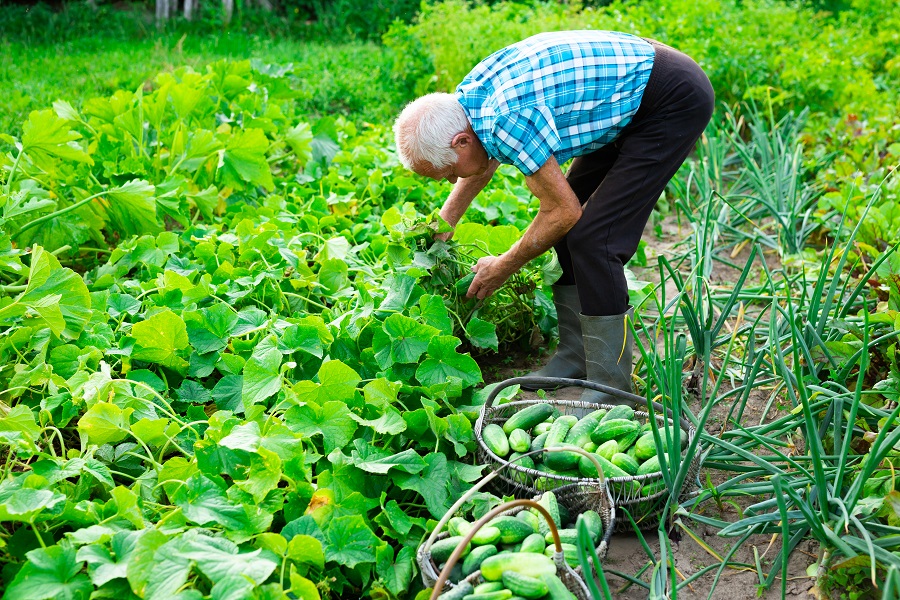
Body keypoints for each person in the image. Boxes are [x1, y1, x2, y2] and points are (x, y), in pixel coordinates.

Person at [393, 30, 714, 403]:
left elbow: (563, 211)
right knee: (568, 231)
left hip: (669, 99)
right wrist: (444, 224)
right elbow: (481, 160)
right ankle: (576, 357)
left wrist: (502, 266)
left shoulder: (505, 118)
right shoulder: (467, 108)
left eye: (447, 171)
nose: (451, 179)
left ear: (460, 142)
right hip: (622, 96)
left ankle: (612, 388)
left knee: (595, 238)